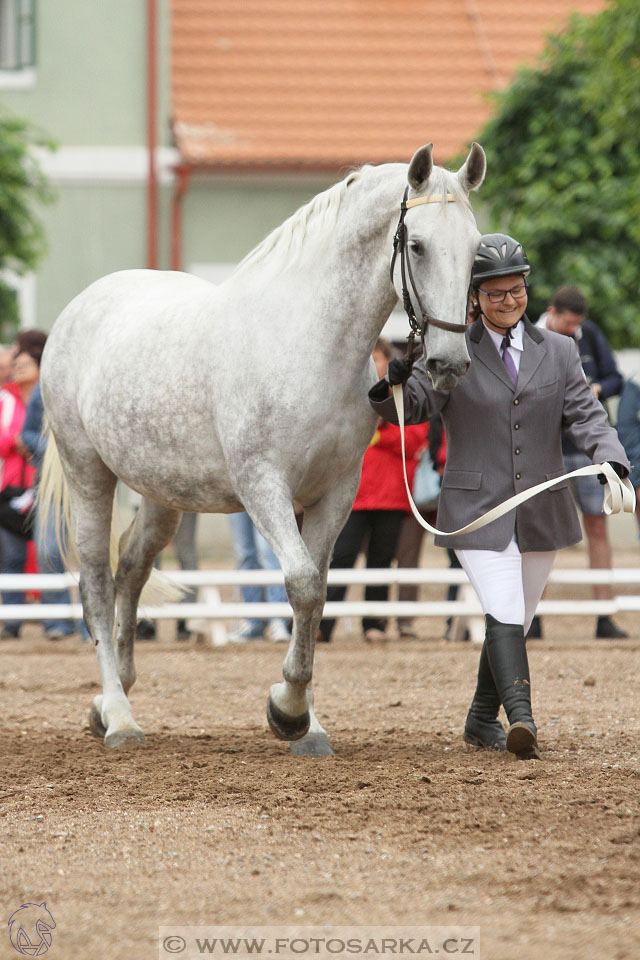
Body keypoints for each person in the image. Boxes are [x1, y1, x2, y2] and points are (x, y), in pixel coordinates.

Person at [369, 233, 630, 760]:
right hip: (474, 508)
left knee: (517, 617)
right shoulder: (452, 349)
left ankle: (481, 718)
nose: (508, 301)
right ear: (474, 298)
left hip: (540, 509)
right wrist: (393, 384)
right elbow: (414, 403)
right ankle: (523, 721)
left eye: (517, 291)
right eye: (495, 294)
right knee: (505, 608)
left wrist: (613, 458)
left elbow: (585, 413)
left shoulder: (559, 351)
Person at [318, 338, 427, 643]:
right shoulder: (344, 396)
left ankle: (374, 624)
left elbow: (416, 437)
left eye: (376, 357)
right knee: (341, 557)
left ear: (387, 361)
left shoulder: (402, 394)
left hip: (391, 493)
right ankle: (323, 624)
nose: (371, 364)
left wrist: (378, 433)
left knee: (381, 559)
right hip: (352, 493)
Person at [535, 285, 627, 639]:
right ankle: (534, 616)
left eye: (577, 324)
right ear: (553, 312)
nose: (573, 330)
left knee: (598, 526)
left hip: (586, 446)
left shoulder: (591, 335)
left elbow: (614, 377)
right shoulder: (530, 333)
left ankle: (603, 613)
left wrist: (596, 391)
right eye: (568, 323)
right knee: (542, 533)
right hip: (547, 447)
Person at [0, 345, 40, 638]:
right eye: (15, 364)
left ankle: (59, 623)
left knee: (51, 556)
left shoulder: (46, 398)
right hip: (12, 488)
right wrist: (18, 439)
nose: (15, 369)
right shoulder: (6, 398)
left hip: (44, 487)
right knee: (11, 557)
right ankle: (11, 622)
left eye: (24, 363)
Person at [227, 511, 291, 643]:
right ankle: (253, 621)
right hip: (234, 493)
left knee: (269, 553)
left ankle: (278, 619)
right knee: (244, 555)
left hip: (266, 492)